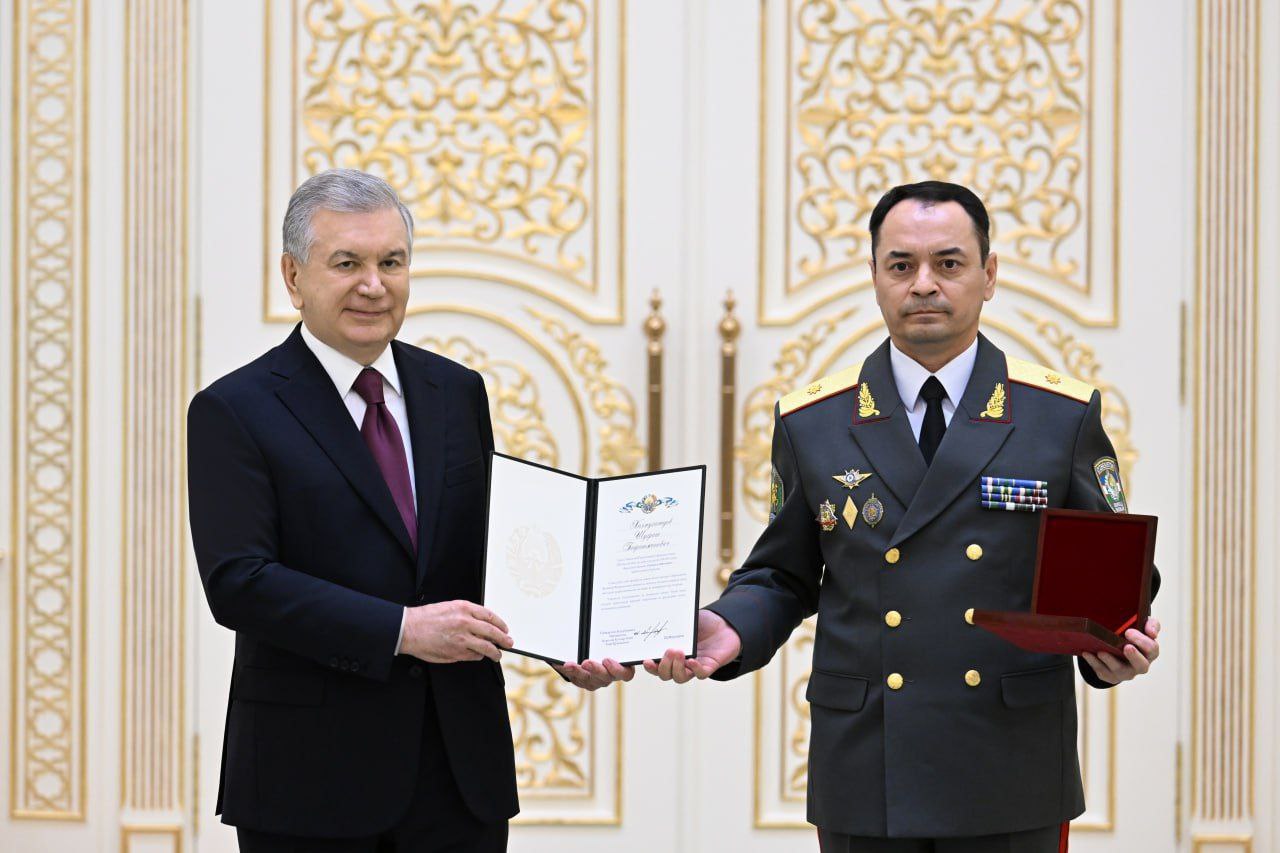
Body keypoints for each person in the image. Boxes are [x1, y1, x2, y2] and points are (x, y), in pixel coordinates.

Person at [646, 182, 1162, 852]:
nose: (923, 284)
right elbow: (782, 574)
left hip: (1009, 761)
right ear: (874, 276)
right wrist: (729, 624)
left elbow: (1110, 569)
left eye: (948, 263)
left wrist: (1115, 644)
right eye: (901, 265)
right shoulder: (813, 421)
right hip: (869, 763)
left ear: (989, 274)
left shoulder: (1057, 416)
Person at [188, 169, 522, 851]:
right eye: (347, 263)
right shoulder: (234, 409)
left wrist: (574, 640)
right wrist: (400, 629)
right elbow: (239, 581)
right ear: (293, 276)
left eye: (391, 263)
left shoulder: (456, 391)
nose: (374, 285)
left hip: (459, 774)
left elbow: (488, 553)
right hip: (309, 782)